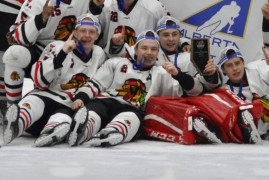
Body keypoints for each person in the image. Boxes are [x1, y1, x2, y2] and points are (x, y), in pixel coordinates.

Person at [66, 29, 204, 147]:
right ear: (135, 49)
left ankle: (111, 133)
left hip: (133, 108)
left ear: (158, 53)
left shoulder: (162, 73)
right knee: (94, 111)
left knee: (133, 118)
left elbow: (195, 91)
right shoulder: (116, 62)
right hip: (106, 101)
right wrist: (81, 97)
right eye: (144, 48)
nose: (149, 52)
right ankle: (82, 131)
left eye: (154, 49)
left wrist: (178, 75)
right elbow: (95, 84)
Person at [2, 0, 98, 104]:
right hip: (42, 49)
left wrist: (97, 6)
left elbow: (96, 3)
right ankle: (12, 106)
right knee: (15, 54)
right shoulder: (37, 0)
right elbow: (16, 37)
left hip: (74, 48)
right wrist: (41, 18)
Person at [3, 14, 106, 146]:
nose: (87, 35)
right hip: (44, 97)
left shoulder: (99, 54)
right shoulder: (56, 46)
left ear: (97, 36)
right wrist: (62, 54)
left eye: (92, 32)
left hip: (69, 104)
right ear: (75, 32)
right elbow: (38, 81)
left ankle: (51, 132)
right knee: (33, 102)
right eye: (82, 31)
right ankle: (17, 123)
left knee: (63, 118)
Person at [219, 45, 269, 141]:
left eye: (237, 63)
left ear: (243, 63)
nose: (235, 68)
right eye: (229, 65)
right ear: (223, 70)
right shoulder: (224, 92)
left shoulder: (259, 69)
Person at [89, 0, 168, 58]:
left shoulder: (154, 7)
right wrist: (95, 6)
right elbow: (91, 28)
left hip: (143, 62)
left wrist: (184, 43)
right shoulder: (106, 4)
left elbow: (169, 29)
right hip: (111, 59)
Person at [156, 16, 222, 91]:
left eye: (174, 34)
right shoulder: (153, 55)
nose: (171, 39)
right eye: (166, 35)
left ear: (179, 36)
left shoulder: (191, 55)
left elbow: (208, 87)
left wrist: (210, 75)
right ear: (158, 36)